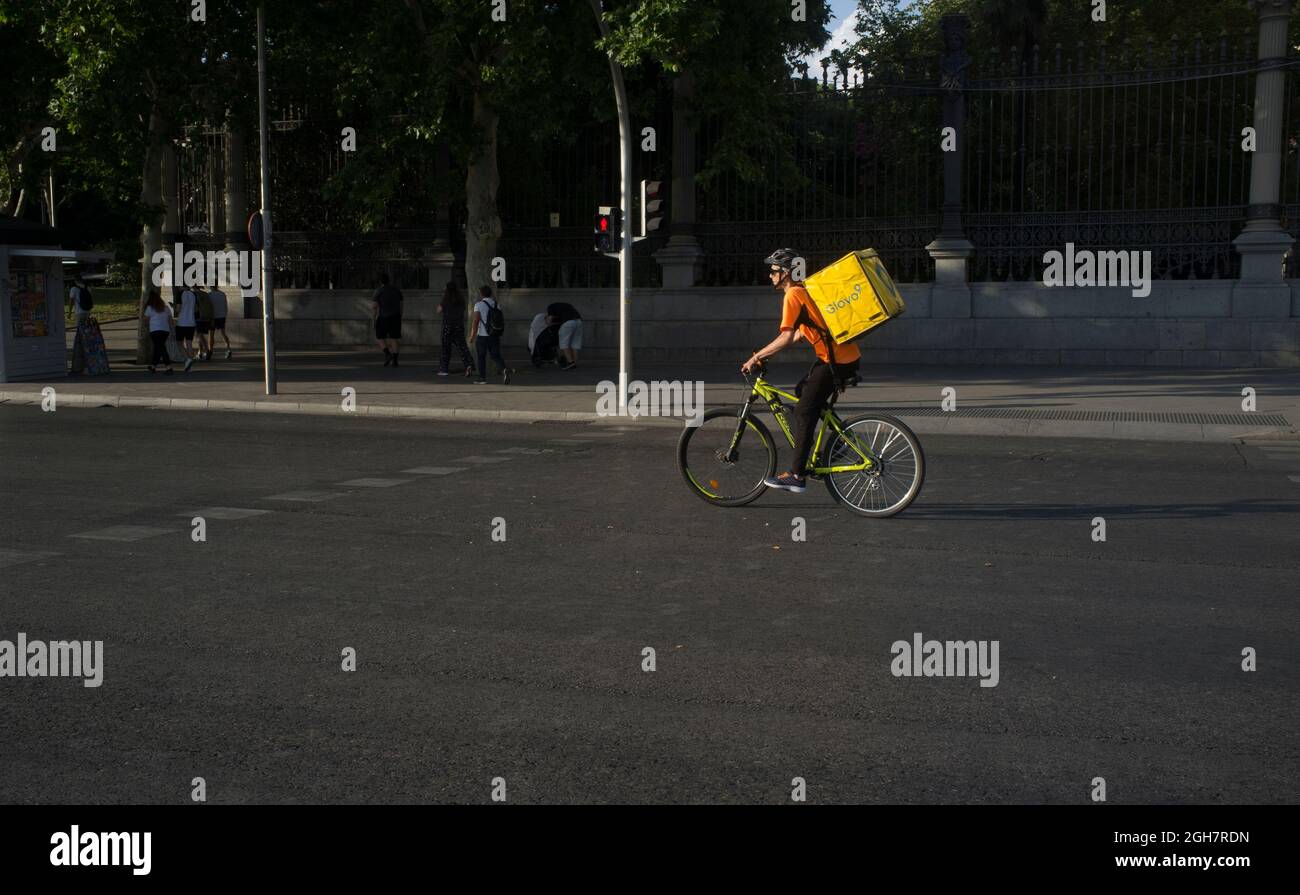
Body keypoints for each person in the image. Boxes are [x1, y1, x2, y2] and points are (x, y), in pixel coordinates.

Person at [740, 248, 861, 494]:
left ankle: (796, 475)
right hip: (845, 357)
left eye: (774, 271)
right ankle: (838, 445)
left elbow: (785, 337)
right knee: (802, 391)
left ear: (785, 273)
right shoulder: (805, 289)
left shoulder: (793, 294)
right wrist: (767, 355)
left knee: (805, 410)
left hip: (834, 361)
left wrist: (756, 357)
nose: (770, 275)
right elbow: (798, 333)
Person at [469, 285, 513, 385]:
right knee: (496, 355)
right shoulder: (496, 304)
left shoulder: (479, 305)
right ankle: (504, 369)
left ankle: (482, 378)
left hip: (482, 336)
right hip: (494, 334)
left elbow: (475, 321)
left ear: (481, 294)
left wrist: (472, 335)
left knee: (481, 357)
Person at [436, 282, 476, 378]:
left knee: (445, 348)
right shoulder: (461, 300)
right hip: (458, 326)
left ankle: (444, 369)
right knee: (462, 347)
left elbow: (438, 310)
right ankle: (469, 365)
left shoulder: (445, 300)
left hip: (447, 326)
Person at [371, 272, 404, 366]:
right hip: (396, 317)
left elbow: (374, 307)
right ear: (389, 280)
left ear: (381, 281)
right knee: (394, 338)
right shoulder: (397, 290)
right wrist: (400, 316)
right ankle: (395, 361)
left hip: (383, 317)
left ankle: (387, 354)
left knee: (380, 336)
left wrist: (373, 320)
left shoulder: (379, 291)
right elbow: (401, 305)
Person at [141, 289, 175, 375]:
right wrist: (172, 331)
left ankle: (169, 367)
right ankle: (153, 366)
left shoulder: (149, 308)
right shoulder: (166, 308)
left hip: (155, 330)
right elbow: (170, 320)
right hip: (165, 331)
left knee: (161, 348)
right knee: (158, 348)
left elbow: (145, 320)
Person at [546, 301, 583, 369]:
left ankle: (570, 363)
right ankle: (574, 363)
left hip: (568, 323)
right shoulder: (566, 306)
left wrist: (548, 324)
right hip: (579, 321)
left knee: (563, 344)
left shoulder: (550, 307)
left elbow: (549, 319)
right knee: (574, 345)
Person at [173, 284, 197, 372]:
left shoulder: (180, 294)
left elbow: (178, 309)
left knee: (179, 343)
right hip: (191, 322)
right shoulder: (193, 294)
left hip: (182, 322)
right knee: (189, 343)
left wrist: (174, 308)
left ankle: (187, 359)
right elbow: (194, 308)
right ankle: (189, 364)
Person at [208, 282, 232, 359]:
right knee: (223, 333)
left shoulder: (209, 295)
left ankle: (210, 350)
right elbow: (225, 305)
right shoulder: (222, 294)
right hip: (221, 316)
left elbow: (209, 307)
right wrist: (225, 314)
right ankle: (228, 348)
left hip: (213, 317)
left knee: (211, 335)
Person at [194, 285, 215, 360]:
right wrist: (211, 318)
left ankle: (206, 350)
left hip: (199, 317)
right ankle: (200, 352)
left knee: (199, 335)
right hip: (206, 317)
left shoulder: (193, 294)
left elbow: (195, 307)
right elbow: (211, 306)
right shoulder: (205, 294)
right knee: (201, 335)